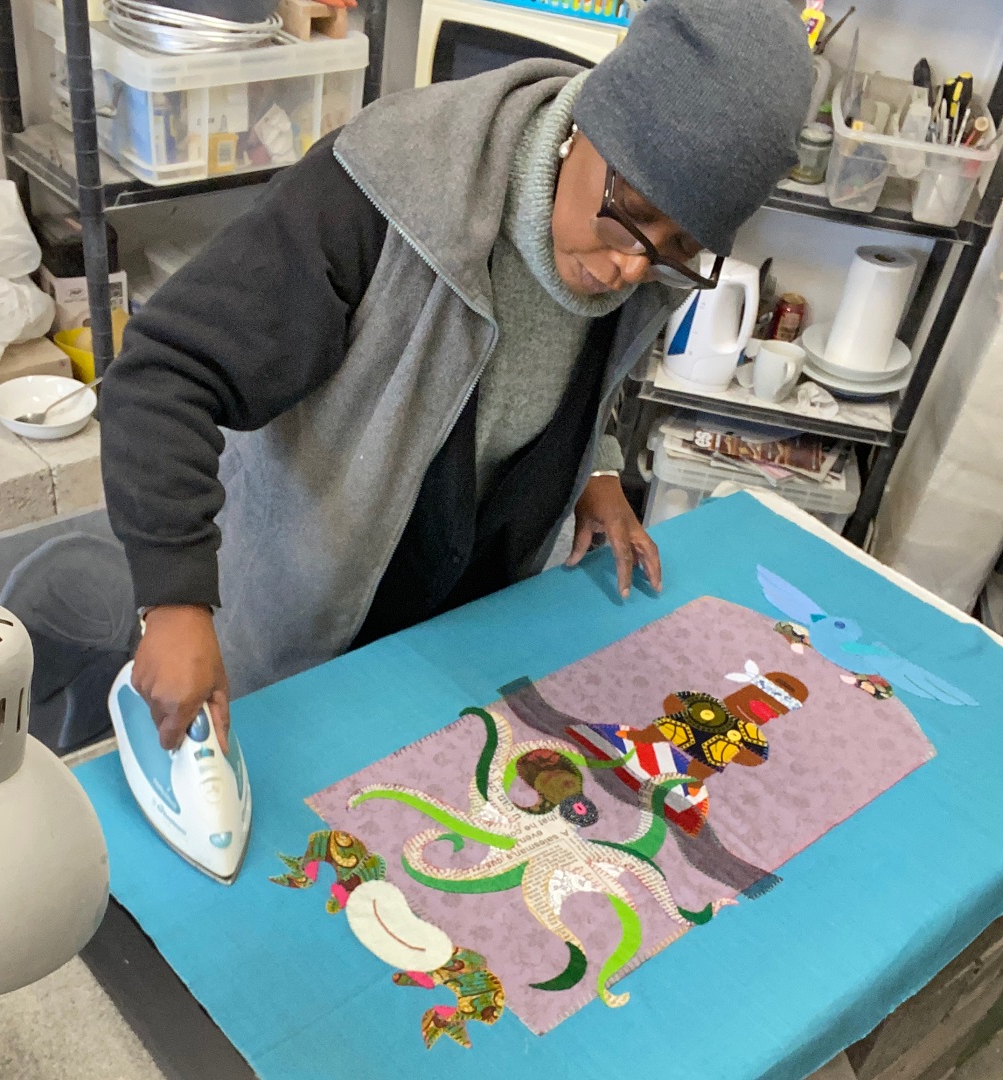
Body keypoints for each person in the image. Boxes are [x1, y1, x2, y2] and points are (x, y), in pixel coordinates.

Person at [100, 0, 813, 751]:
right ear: (589, 125)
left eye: (677, 247)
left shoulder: (639, 251)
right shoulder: (380, 190)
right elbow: (162, 372)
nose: (631, 266)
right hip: (304, 635)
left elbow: (586, 368)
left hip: (459, 631)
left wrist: (594, 466)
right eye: (631, 214)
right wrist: (174, 598)